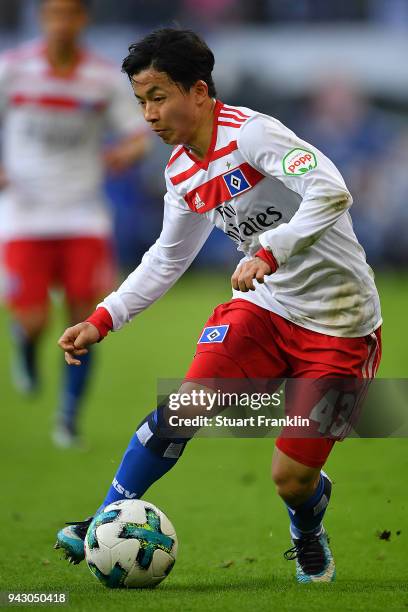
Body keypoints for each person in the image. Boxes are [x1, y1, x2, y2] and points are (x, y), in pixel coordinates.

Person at [54, 28, 382, 583]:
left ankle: (306, 526)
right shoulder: (180, 170)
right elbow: (166, 258)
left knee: (291, 481)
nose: (149, 115)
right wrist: (102, 318)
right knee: (185, 409)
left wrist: (271, 251)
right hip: (263, 309)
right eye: (141, 102)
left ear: (199, 91)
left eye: (159, 97)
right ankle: (104, 520)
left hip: (342, 323)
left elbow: (331, 190)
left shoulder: (254, 135)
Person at [0, 0, 149, 447]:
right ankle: (24, 345)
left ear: (83, 19)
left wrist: (128, 152)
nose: (61, 23)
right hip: (24, 212)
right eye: (53, 14)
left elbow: (137, 132)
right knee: (32, 319)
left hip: (83, 211)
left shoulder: (101, 78)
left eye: (70, 14)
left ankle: (68, 418)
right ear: (42, 20)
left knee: (84, 319)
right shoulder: (13, 69)